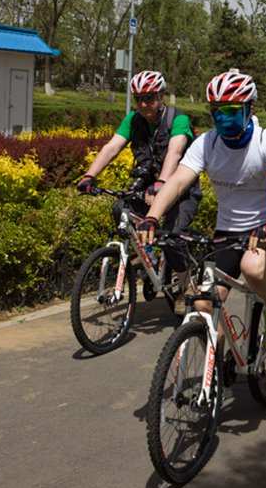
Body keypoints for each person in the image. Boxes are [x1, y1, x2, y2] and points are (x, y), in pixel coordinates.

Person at [137, 69, 266, 348]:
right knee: (201, 304)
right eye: (217, 111)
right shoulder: (207, 142)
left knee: (254, 268)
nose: (223, 118)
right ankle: (218, 366)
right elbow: (177, 182)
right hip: (228, 230)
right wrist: (152, 217)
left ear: (249, 108)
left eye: (232, 111)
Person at [77, 70, 201, 313]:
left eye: (150, 98)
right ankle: (149, 257)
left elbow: (175, 153)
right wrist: (90, 175)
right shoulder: (133, 120)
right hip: (148, 186)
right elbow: (112, 147)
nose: (144, 104)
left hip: (179, 187)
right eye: (139, 99)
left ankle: (184, 283)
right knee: (120, 209)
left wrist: (162, 184)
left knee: (172, 234)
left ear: (161, 96)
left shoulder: (178, 119)